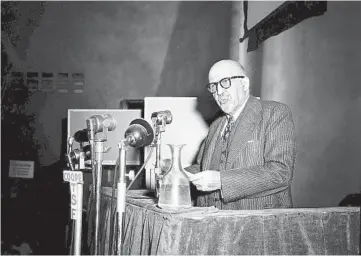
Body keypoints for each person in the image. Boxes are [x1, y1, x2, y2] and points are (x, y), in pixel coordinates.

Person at [185, 59, 296, 210]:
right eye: (213, 86)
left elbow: (280, 172)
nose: (219, 92)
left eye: (225, 82)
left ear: (244, 84)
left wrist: (221, 181)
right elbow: (203, 168)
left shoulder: (274, 113)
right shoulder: (217, 125)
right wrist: (178, 175)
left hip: (258, 224)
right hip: (214, 224)